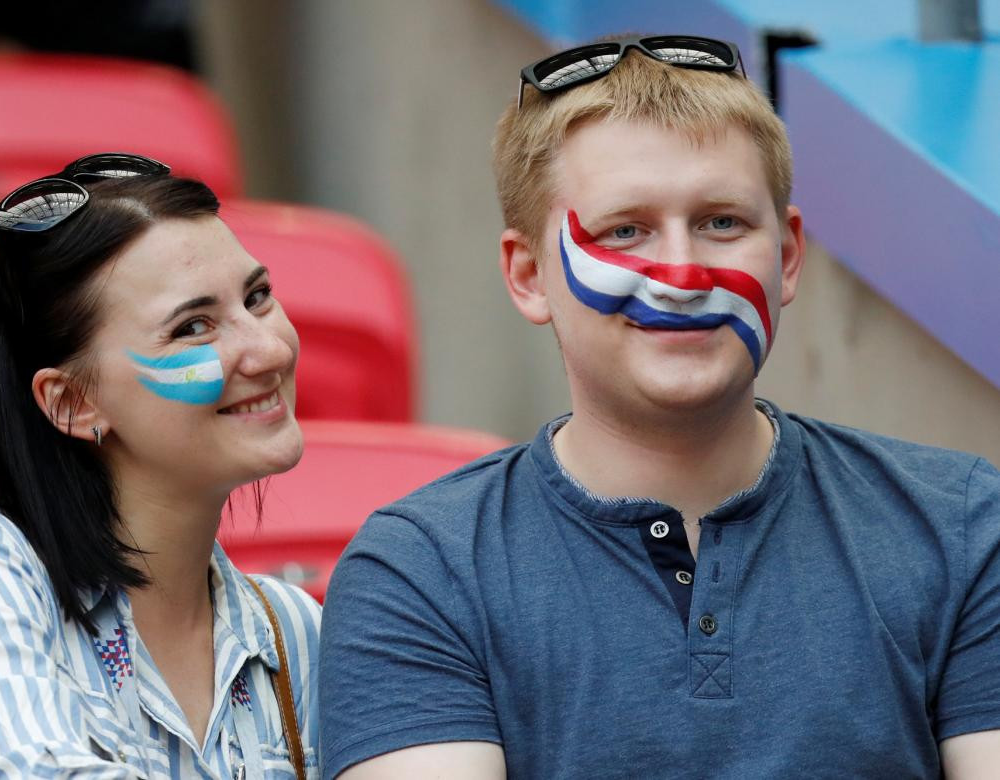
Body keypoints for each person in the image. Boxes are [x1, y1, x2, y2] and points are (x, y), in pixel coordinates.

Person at [317, 36, 1000, 778]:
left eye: (722, 223)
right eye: (625, 231)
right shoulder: (423, 571)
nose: (680, 273)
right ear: (528, 276)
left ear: (790, 256)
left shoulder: (957, 526)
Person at [0, 153, 320, 778]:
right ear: (74, 402)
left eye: (258, 297)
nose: (268, 350)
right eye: (194, 327)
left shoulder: (294, 631)